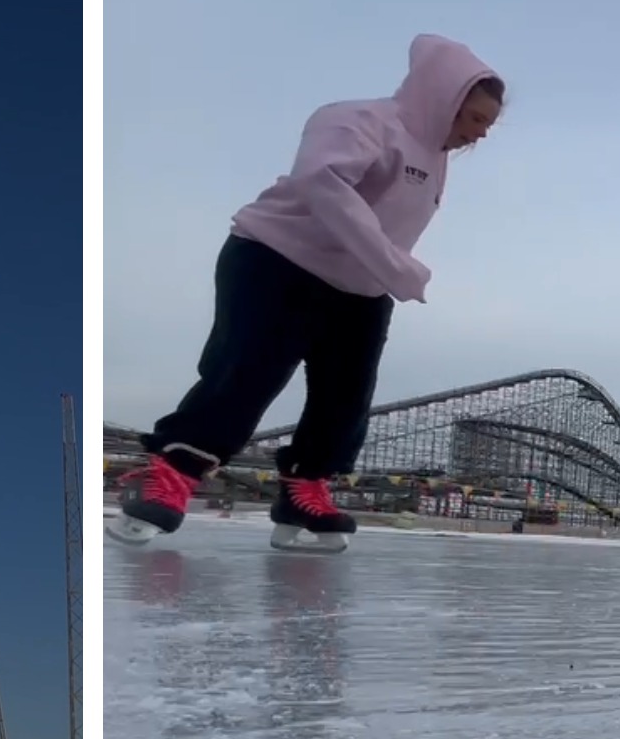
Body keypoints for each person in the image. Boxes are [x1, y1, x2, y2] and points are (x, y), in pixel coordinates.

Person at [107, 34, 504, 553]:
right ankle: (172, 475)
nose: (478, 133)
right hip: (277, 259)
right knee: (248, 372)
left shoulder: (436, 154)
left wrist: (385, 271)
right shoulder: (357, 120)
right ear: (442, 98)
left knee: (346, 394)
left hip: (362, 285)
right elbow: (323, 182)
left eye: (488, 125)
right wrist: (395, 265)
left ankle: (305, 488)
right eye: (473, 117)